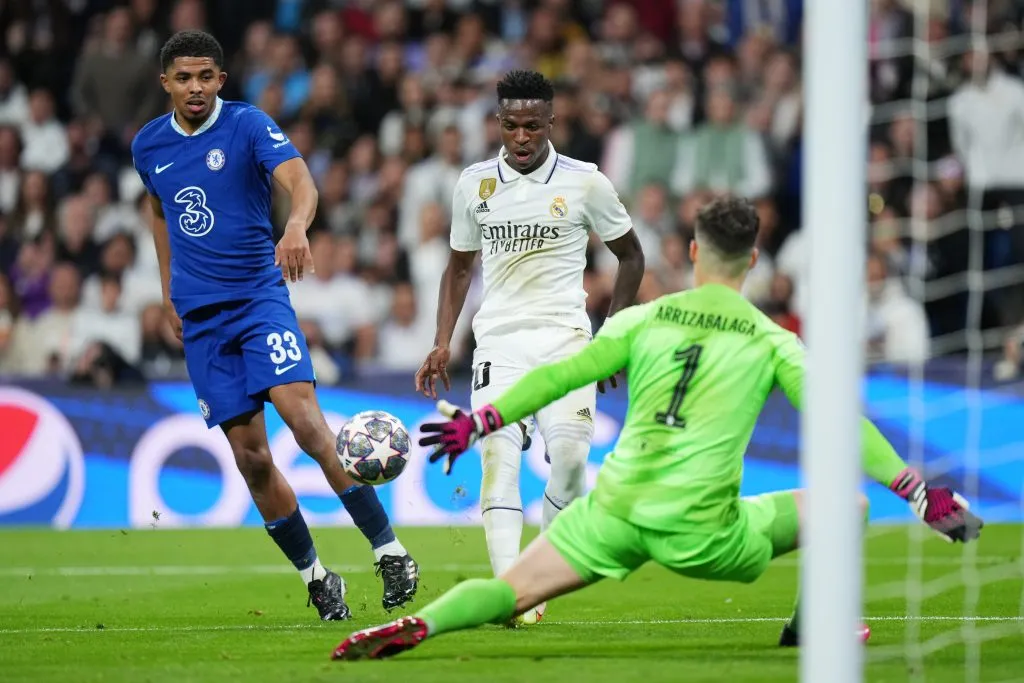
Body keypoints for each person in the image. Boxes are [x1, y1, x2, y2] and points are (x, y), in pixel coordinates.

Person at [333, 196, 983, 660]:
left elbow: (566, 372)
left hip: (613, 510)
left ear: (695, 251)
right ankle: (816, 623)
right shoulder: (772, 338)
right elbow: (839, 424)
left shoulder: (645, 319)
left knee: (508, 591)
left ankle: (425, 622)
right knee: (848, 507)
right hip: (703, 531)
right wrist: (918, 492)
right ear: (752, 259)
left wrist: (483, 419)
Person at [131, 31, 418, 620]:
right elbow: (159, 210)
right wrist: (167, 290)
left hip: (259, 299)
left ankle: (390, 551)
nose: (195, 88)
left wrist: (296, 227)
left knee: (307, 423)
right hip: (203, 319)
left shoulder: (247, 124)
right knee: (252, 459)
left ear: (221, 80)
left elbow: (301, 180)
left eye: (205, 76)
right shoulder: (148, 145)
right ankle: (316, 576)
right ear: (166, 82)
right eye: (184, 78)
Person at [413, 69, 645, 625]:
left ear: (551, 123)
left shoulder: (586, 182)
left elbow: (632, 257)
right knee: (497, 457)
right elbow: (460, 267)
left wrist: (612, 336)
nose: (521, 137)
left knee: (568, 461)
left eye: (533, 127)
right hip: (500, 340)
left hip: (567, 340)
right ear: (498, 122)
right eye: (512, 125)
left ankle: (539, 574)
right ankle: (518, 596)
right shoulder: (474, 184)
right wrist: (443, 339)